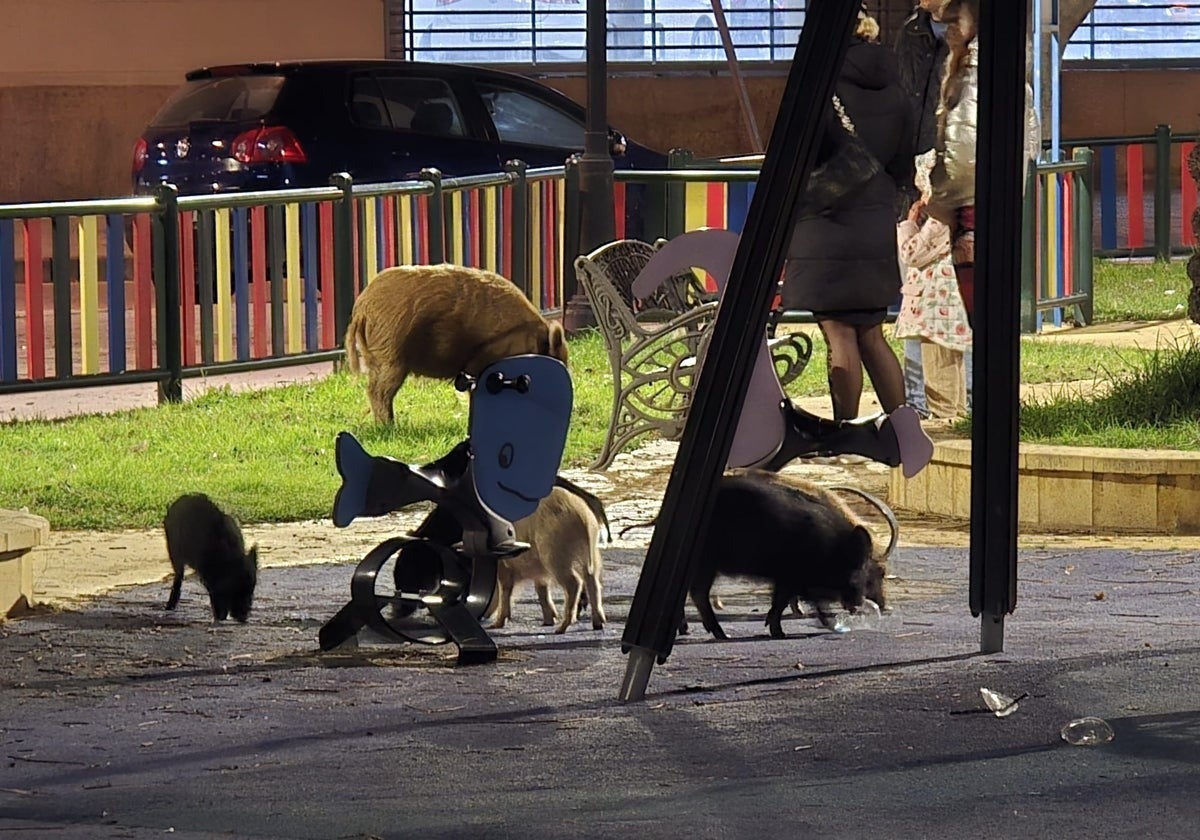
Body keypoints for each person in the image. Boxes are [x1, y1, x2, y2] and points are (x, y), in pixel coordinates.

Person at [782, 8, 914, 422]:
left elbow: (800, 152)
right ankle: (902, 426)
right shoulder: (896, 88)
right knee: (871, 332)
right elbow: (904, 161)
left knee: (838, 332)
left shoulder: (820, 86)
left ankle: (843, 429)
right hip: (875, 219)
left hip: (826, 221)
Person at [893, 0, 951, 419]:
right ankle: (917, 400)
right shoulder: (910, 33)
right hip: (911, 180)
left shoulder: (976, 34)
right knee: (915, 295)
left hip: (955, 180)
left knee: (956, 300)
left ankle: (961, 401)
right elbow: (903, 102)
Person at [894, 150, 972, 419]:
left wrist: (908, 224)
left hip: (936, 309)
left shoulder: (940, 219)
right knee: (952, 366)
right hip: (948, 307)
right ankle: (957, 417)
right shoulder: (960, 215)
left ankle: (946, 422)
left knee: (939, 372)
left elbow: (912, 254)